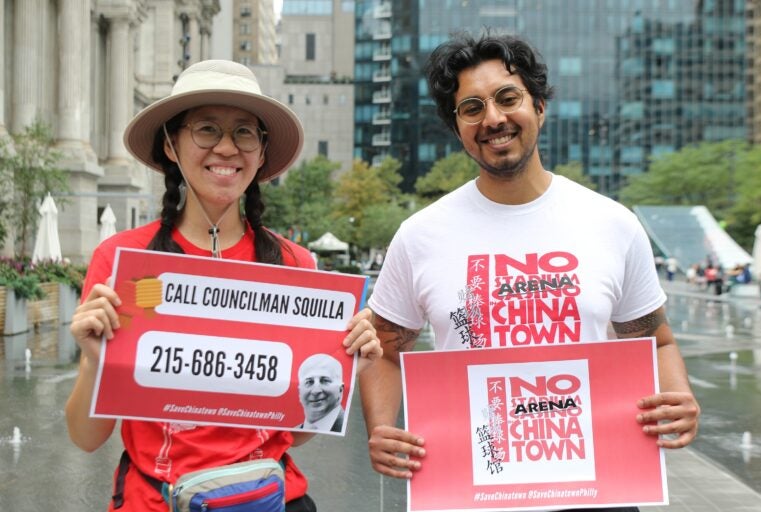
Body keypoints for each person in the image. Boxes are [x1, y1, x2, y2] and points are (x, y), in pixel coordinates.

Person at [359, 32, 699, 512]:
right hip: (467, 490)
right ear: (456, 126)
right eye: (471, 107)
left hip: (598, 490)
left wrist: (679, 396)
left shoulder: (612, 223)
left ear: (538, 106)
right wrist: (381, 429)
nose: (493, 118)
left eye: (507, 97)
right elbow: (384, 349)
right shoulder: (419, 235)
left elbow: (655, 341)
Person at [65, 60, 382, 512]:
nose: (228, 148)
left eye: (245, 132)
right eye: (207, 130)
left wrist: (348, 372)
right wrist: (97, 364)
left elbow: (294, 432)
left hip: (272, 501)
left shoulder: (296, 265)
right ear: (172, 145)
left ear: (262, 150)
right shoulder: (122, 261)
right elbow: (85, 438)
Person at [296, 354, 345, 432]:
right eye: (309, 382)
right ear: (299, 391)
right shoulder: (294, 432)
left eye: (325, 380)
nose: (316, 391)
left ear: (340, 389)